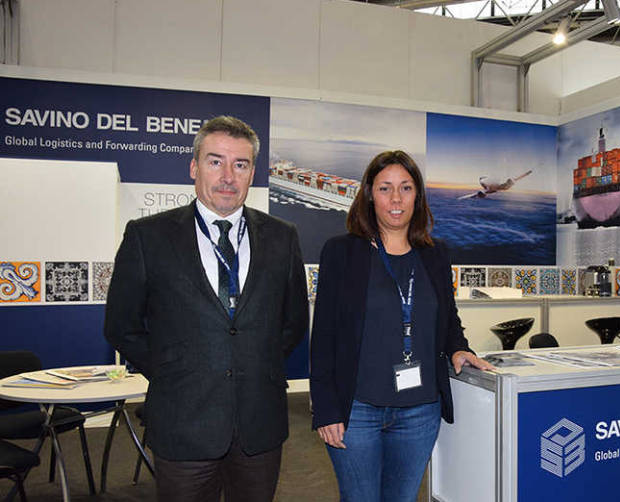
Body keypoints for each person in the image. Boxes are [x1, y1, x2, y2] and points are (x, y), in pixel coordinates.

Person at [104, 116, 308, 502]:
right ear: (194, 167)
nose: (228, 176)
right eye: (216, 161)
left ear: (252, 174)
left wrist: (252, 362)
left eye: (240, 164)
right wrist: (174, 369)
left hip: (259, 426)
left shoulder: (283, 237)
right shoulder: (148, 237)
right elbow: (122, 327)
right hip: (184, 421)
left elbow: (294, 321)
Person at [310, 150, 494, 502]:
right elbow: (324, 337)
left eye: (406, 188)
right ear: (368, 195)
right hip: (357, 411)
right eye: (385, 188)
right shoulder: (341, 252)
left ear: (418, 196)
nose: (396, 199)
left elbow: (448, 316)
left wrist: (459, 346)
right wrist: (325, 408)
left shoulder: (435, 253)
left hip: (420, 412)